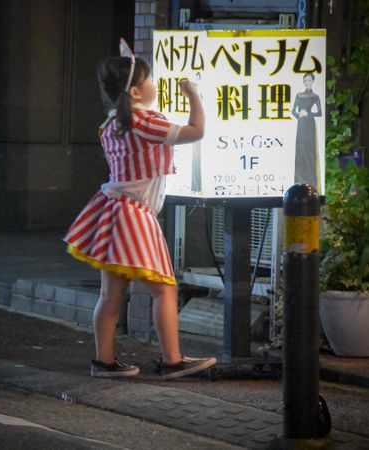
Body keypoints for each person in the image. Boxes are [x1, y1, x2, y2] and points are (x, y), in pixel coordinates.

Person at [63, 46, 216, 380]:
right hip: (135, 215)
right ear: (135, 91)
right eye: (151, 80)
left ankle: (104, 362)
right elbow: (196, 131)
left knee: (110, 293)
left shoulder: (110, 125)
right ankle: (173, 360)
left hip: (110, 210)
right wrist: (194, 95)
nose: (156, 85)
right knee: (164, 287)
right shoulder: (145, 121)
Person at [292, 73, 322, 191]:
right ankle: (298, 180)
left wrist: (308, 114)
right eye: (305, 80)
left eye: (309, 80)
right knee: (300, 149)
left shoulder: (315, 96)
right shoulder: (299, 95)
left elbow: (319, 112)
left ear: (312, 81)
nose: (307, 82)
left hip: (309, 124)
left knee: (309, 150)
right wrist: (299, 115)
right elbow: (293, 110)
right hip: (301, 124)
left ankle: (310, 182)